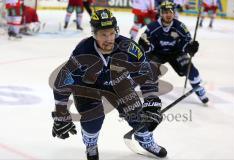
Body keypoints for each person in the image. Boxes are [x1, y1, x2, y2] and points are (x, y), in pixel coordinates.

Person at [51, 9, 167, 160]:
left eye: (111, 33)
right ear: (94, 34)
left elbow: (146, 73)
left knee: (137, 115)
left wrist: (152, 100)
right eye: (103, 34)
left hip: (118, 84)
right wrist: (61, 114)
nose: (109, 39)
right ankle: (91, 144)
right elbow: (62, 82)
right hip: (88, 88)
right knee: (93, 119)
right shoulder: (82, 51)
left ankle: (145, 139)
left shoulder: (129, 47)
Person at [138, 1, 209, 104]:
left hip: (176, 53)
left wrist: (190, 48)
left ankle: (199, 89)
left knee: (190, 69)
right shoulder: (152, 27)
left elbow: (186, 41)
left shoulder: (180, 26)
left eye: (171, 12)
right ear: (161, 13)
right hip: (157, 53)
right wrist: (145, 46)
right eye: (166, 12)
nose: (169, 14)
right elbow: (147, 45)